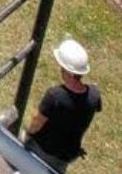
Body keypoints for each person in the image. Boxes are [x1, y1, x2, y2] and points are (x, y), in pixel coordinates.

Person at [23, 39, 102, 171]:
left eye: (62, 67)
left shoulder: (55, 96)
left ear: (69, 72)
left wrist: (27, 135)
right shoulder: (94, 95)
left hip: (43, 150)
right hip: (66, 156)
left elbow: (36, 122)